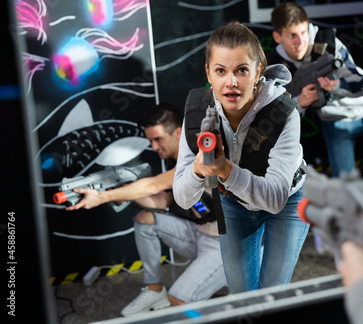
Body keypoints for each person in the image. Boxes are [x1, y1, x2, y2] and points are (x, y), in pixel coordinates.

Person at [173, 22, 310, 293]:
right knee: (243, 299)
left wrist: (225, 170)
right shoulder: (198, 113)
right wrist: (199, 171)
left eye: (242, 70)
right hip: (234, 203)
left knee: (271, 296)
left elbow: (274, 200)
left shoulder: (283, 112)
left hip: (288, 201)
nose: (231, 82)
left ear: (258, 71)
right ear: (208, 74)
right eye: (221, 71)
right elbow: (182, 197)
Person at [66, 103, 226, 317]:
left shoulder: (201, 155)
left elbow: (153, 185)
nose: (153, 147)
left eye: (158, 139)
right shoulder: (174, 161)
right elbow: (162, 202)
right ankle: (154, 291)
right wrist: (119, 191)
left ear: (178, 133)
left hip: (226, 246)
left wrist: (103, 196)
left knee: (178, 300)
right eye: (150, 140)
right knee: (146, 219)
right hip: (200, 234)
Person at [266, 2, 363, 202]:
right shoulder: (278, 67)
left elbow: (358, 81)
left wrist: (336, 86)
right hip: (335, 122)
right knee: (344, 187)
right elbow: (276, 115)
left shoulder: (328, 42)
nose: (300, 41)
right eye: (291, 35)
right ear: (278, 37)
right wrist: (300, 102)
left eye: (303, 32)